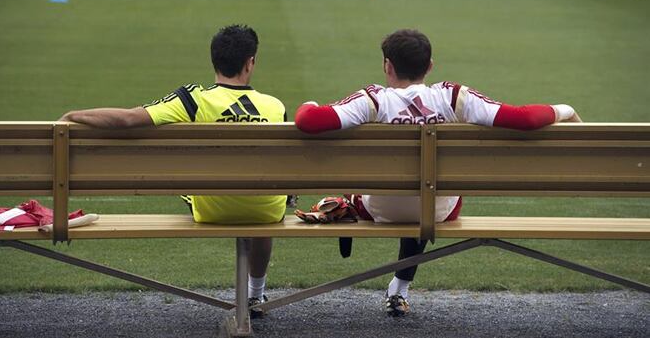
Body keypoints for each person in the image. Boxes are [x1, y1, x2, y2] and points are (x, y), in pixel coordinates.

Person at [293, 29, 581, 317]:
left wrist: (310, 104)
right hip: (440, 210)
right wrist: (565, 109)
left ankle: (341, 207)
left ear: (387, 66)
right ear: (430, 66)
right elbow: (525, 118)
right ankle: (400, 289)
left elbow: (308, 121)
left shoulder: (373, 100)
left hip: (377, 208)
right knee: (426, 188)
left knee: (388, 187)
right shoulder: (453, 97)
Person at [60, 24, 286, 318]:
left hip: (213, 211)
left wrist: (73, 116)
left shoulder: (192, 100)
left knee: (196, 178)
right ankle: (256, 294)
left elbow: (128, 119)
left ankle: (254, 291)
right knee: (261, 192)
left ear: (214, 61)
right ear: (250, 62)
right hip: (267, 212)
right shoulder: (274, 106)